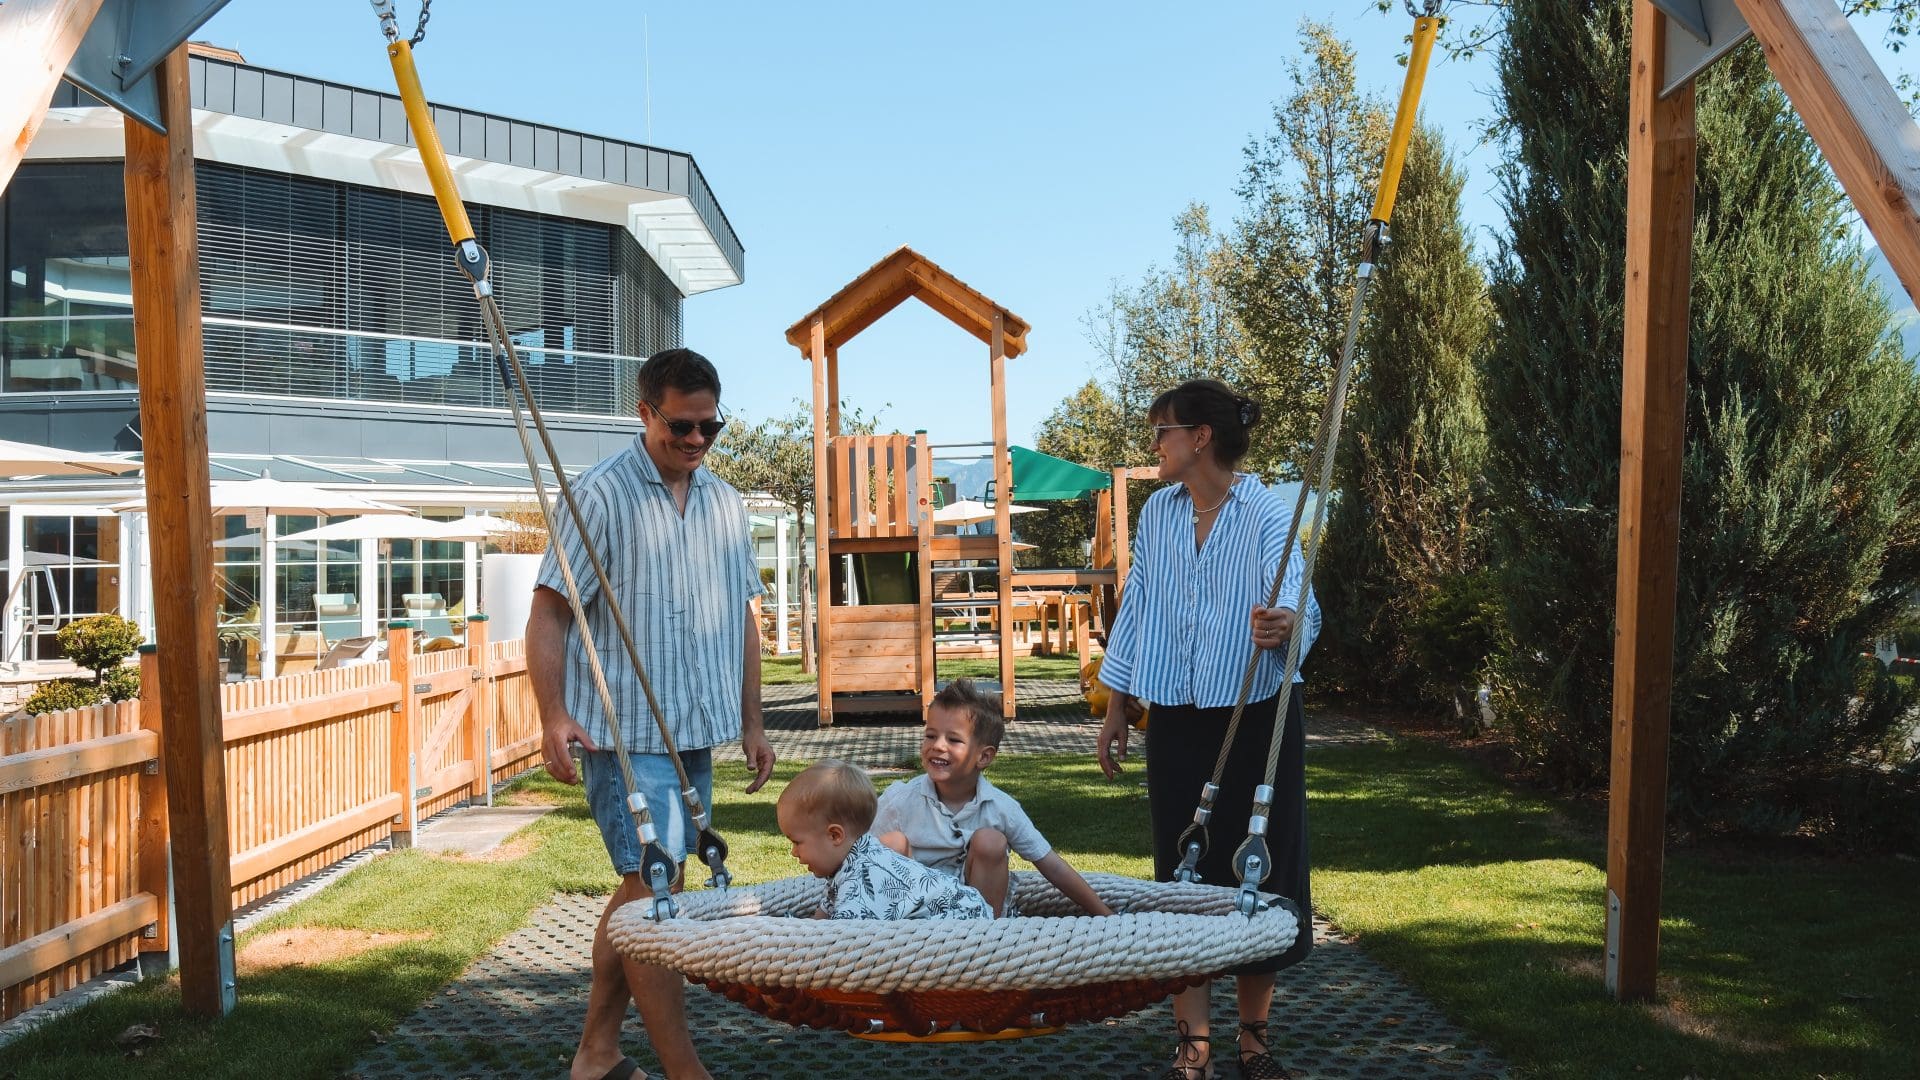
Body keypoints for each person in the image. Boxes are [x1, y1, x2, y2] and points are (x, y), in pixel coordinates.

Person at [527, 347, 776, 1080]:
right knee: (658, 893)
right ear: (644, 412)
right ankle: (684, 1069)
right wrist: (552, 713)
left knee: (645, 892)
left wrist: (754, 723)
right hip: (622, 733)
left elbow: (742, 621)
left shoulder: (726, 504)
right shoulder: (599, 496)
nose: (696, 442)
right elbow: (549, 615)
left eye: (710, 428)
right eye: (681, 426)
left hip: (694, 731)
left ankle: (596, 1055)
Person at [1096, 379, 1321, 1080]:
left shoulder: (1264, 514)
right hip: (1178, 720)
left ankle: (1254, 1045)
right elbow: (1136, 609)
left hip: (1257, 717)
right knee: (1181, 877)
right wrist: (1116, 706)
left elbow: (1298, 600)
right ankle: (1193, 1049)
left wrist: (1286, 626)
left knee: (1259, 867)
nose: (1153, 444)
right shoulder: (1159, 514)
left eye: (1161, 430)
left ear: (1200, 437)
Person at [873, 678, 1114, 918]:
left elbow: (1051, 864)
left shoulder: (1001, 808)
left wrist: (1105, 915)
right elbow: (857, 856)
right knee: (890, 843)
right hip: (913, 915)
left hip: (977, 916)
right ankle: (890, 934)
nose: (937, 746)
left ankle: (985, 938)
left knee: (990, 841)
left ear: (984, 757)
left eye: (953, 740)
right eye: (931, 736)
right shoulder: (901, 800)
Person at [779, 759, 995, 921]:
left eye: (797, 842)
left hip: (965, 919)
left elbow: (840, 944)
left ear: (835, 835)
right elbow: (823, 915)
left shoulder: (863, 878)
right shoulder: (847, 863)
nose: (793, 852)